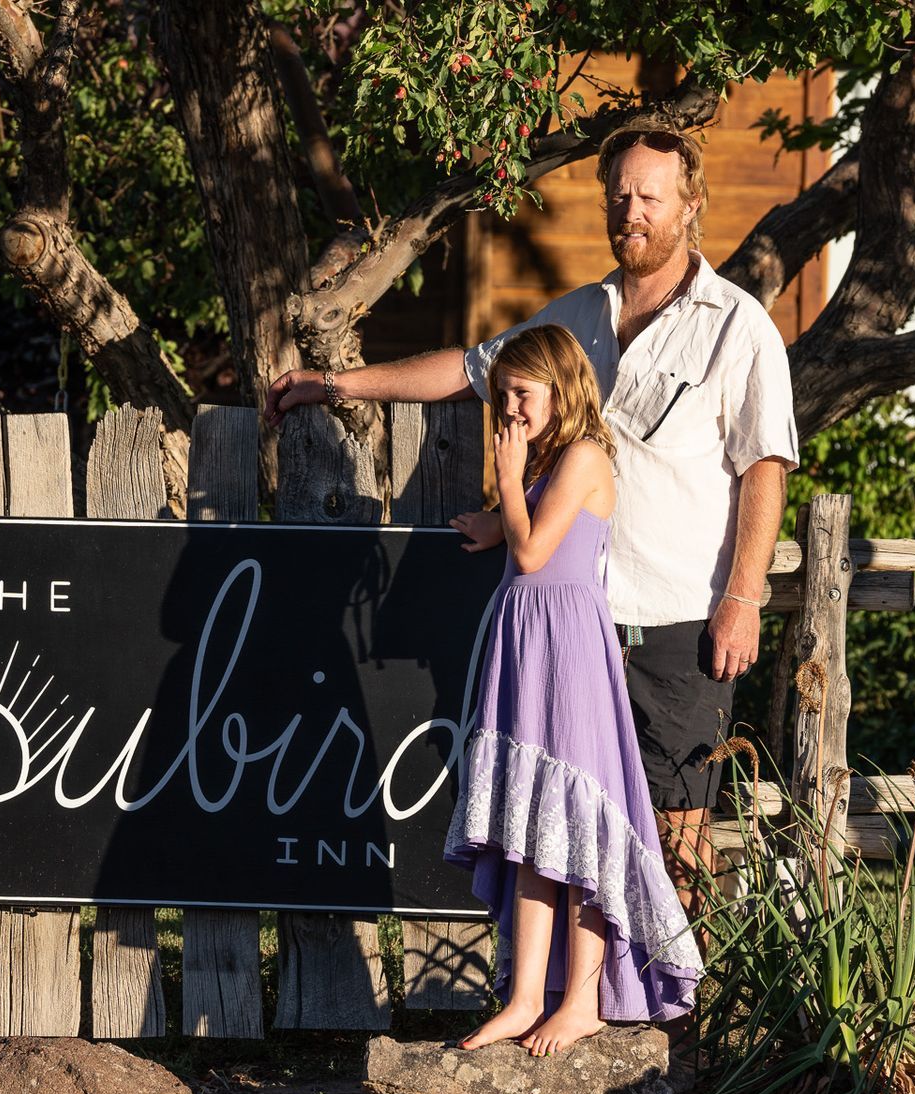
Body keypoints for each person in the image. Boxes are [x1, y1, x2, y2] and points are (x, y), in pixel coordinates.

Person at [266, 126, 800, 922]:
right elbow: (469, 369)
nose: (632, 211)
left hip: (676, 614)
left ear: (690, 206)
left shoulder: (737, 325)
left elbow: (765, 467)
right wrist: (337, 383)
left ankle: (680, 1022)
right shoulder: (579, 317)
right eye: (619, 195)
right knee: (577, 822)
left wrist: (744, 597)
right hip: (577, 617)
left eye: (650, 196)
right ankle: (591, 1002)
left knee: (677, 823)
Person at [438, 324, 701, 1053]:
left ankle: (583, 999)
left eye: (522, 394)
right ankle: (527, 994)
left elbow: (533, 552)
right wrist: (501, 514)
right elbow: (527, 534)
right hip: (527, 647)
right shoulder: (550, 465)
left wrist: (507, 494)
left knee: (577, 820)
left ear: (563, 387)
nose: (511, 411)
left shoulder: (585, 455)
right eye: (502, 398)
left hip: (569, 649)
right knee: (531, 825)